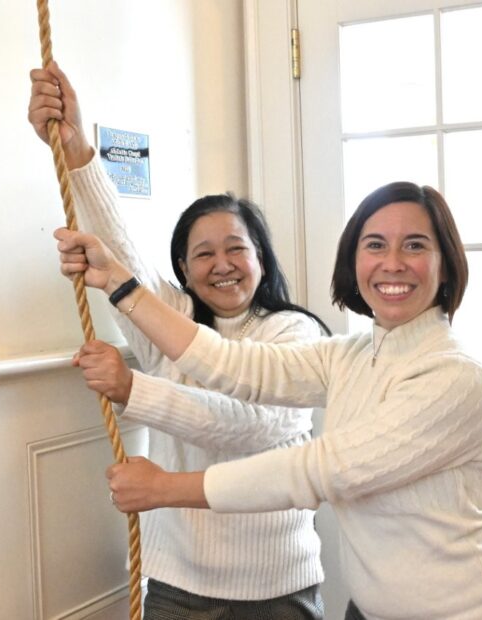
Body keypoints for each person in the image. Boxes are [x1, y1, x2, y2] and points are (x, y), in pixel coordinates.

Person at [55, 178, 482, 619]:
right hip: (371, 610)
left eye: (414, 245)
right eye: (375, 245)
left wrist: (165, 487)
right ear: (355, 261)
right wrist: (120, 285)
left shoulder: (457, 379)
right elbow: (234, 365)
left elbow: (317, 470)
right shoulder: (350, 355)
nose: (392, 262)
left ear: (446, 263)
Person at [29, 62, 328, 619]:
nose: (222, 265)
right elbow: (121, 250)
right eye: (202, 254)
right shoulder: (167, 322)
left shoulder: (296, 332)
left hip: (278, 591)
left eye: (236, 248)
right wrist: (75, 149)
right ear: (184, 273)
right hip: (175, 588)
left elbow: (247, 422)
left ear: (261, 257)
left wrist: (133, 390)